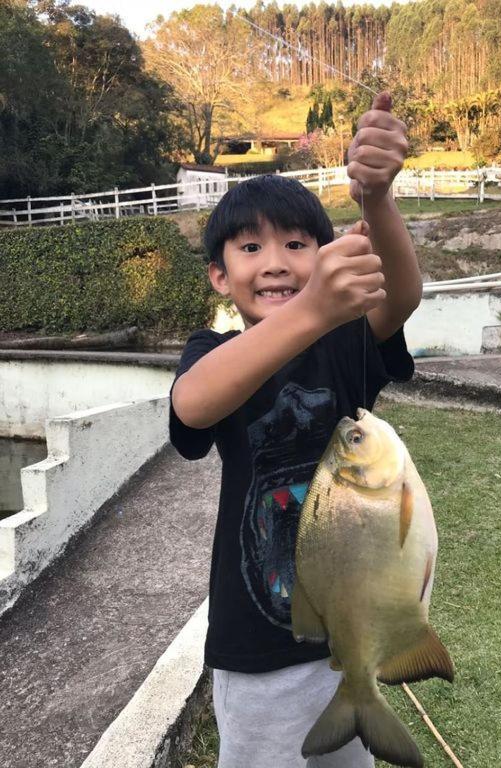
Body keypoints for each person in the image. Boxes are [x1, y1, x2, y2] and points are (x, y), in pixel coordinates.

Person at [170, 92, 423, 768]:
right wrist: (310, 309)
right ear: (220, 277)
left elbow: (400, 294)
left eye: (297, 243)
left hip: (347, 637)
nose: (276, 261)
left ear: (328, 254)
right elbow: (193, 405)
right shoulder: (214, 354)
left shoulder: (343, 347)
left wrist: (376, 199)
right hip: (255, 651)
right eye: (251, 247)